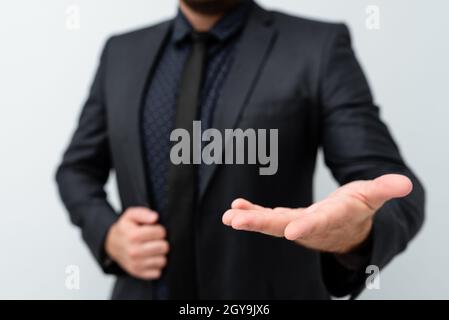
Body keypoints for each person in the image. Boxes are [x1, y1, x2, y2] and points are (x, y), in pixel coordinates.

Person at [56, 0, 425, 299]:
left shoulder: (318, 46)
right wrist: (107, 233)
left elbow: (391, 191)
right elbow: (76, 169)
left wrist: (354, 234)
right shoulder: (121, 52)